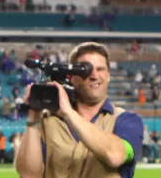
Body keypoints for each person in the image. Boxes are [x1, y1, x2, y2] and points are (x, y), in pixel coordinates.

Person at [15, 42, 145, 178]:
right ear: (71, 77)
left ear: (108, 76)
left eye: (100, 69)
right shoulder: (47, 120)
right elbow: (28, 175)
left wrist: (68, 113)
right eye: (85, 70)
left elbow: (115, 156)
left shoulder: (127, 120)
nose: (94, 75)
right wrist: (33, 117)